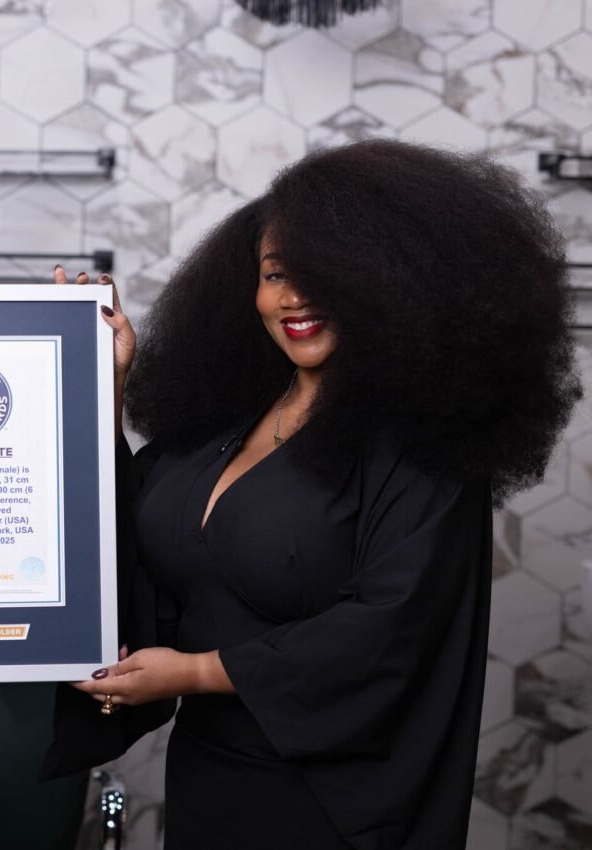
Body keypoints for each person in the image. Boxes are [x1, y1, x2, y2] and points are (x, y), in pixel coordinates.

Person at [46, 140, 581, 849]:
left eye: (325, 274)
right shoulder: (224, 428)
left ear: (386, 283)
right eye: (274, 274)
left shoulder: (419, 446)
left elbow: (391, 626)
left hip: (337, 802)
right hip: (210, 780)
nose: (294, 297)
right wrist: (102, 385)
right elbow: (124, 536)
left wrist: (198, 671)